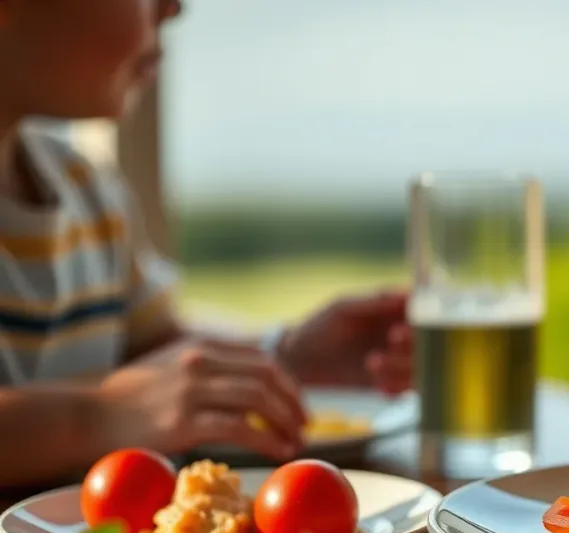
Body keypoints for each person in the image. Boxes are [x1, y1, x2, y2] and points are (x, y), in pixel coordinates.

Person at [0, 0, 412, 488]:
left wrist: (284, 360)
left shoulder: (86, 188)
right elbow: (126, 399)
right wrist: (98, 415)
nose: (175, 8)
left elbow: (153, 356)